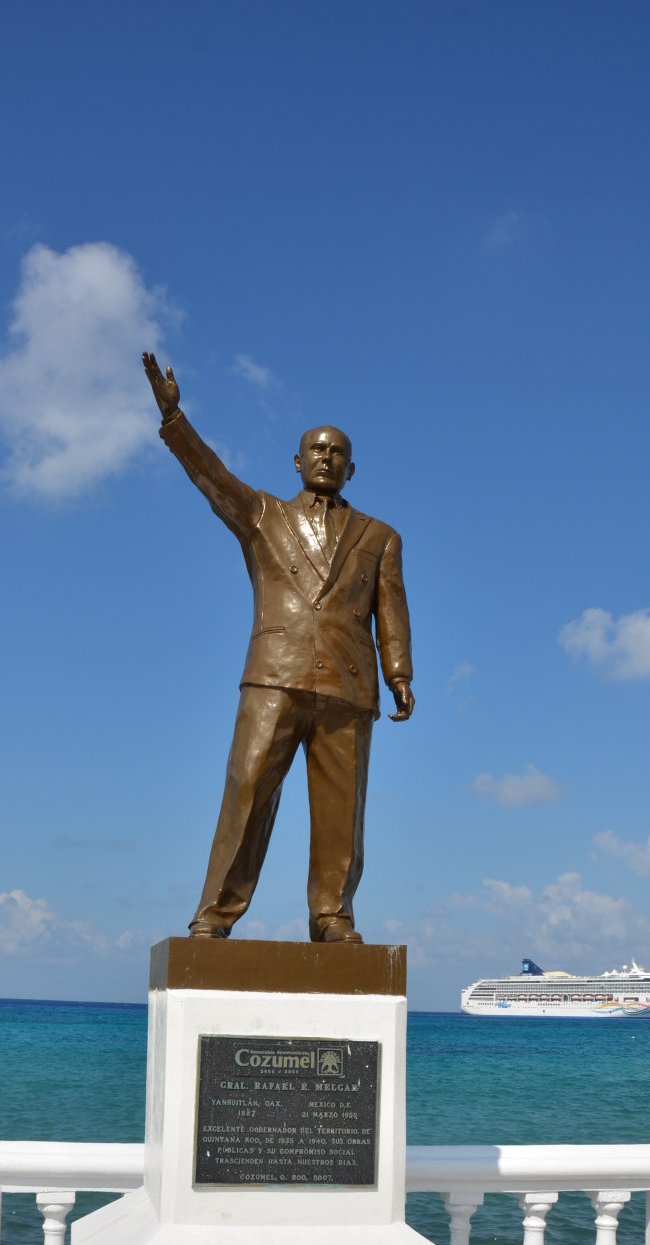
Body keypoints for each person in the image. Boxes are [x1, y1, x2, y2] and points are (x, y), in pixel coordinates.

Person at [143, 352, 414, 943]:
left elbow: (390, 606)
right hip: (274, 675)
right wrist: (174, 421)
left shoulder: (380, 536)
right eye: (316, 449)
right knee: (247, 791)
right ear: (297, 460)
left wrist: (399, 673)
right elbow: (211, 476)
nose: (326, 457)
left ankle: (332, 916)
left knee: (343, 814)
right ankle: (214, 915)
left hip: (348, 683)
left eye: (337, 451)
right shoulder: (262, 514)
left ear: (351, 468)